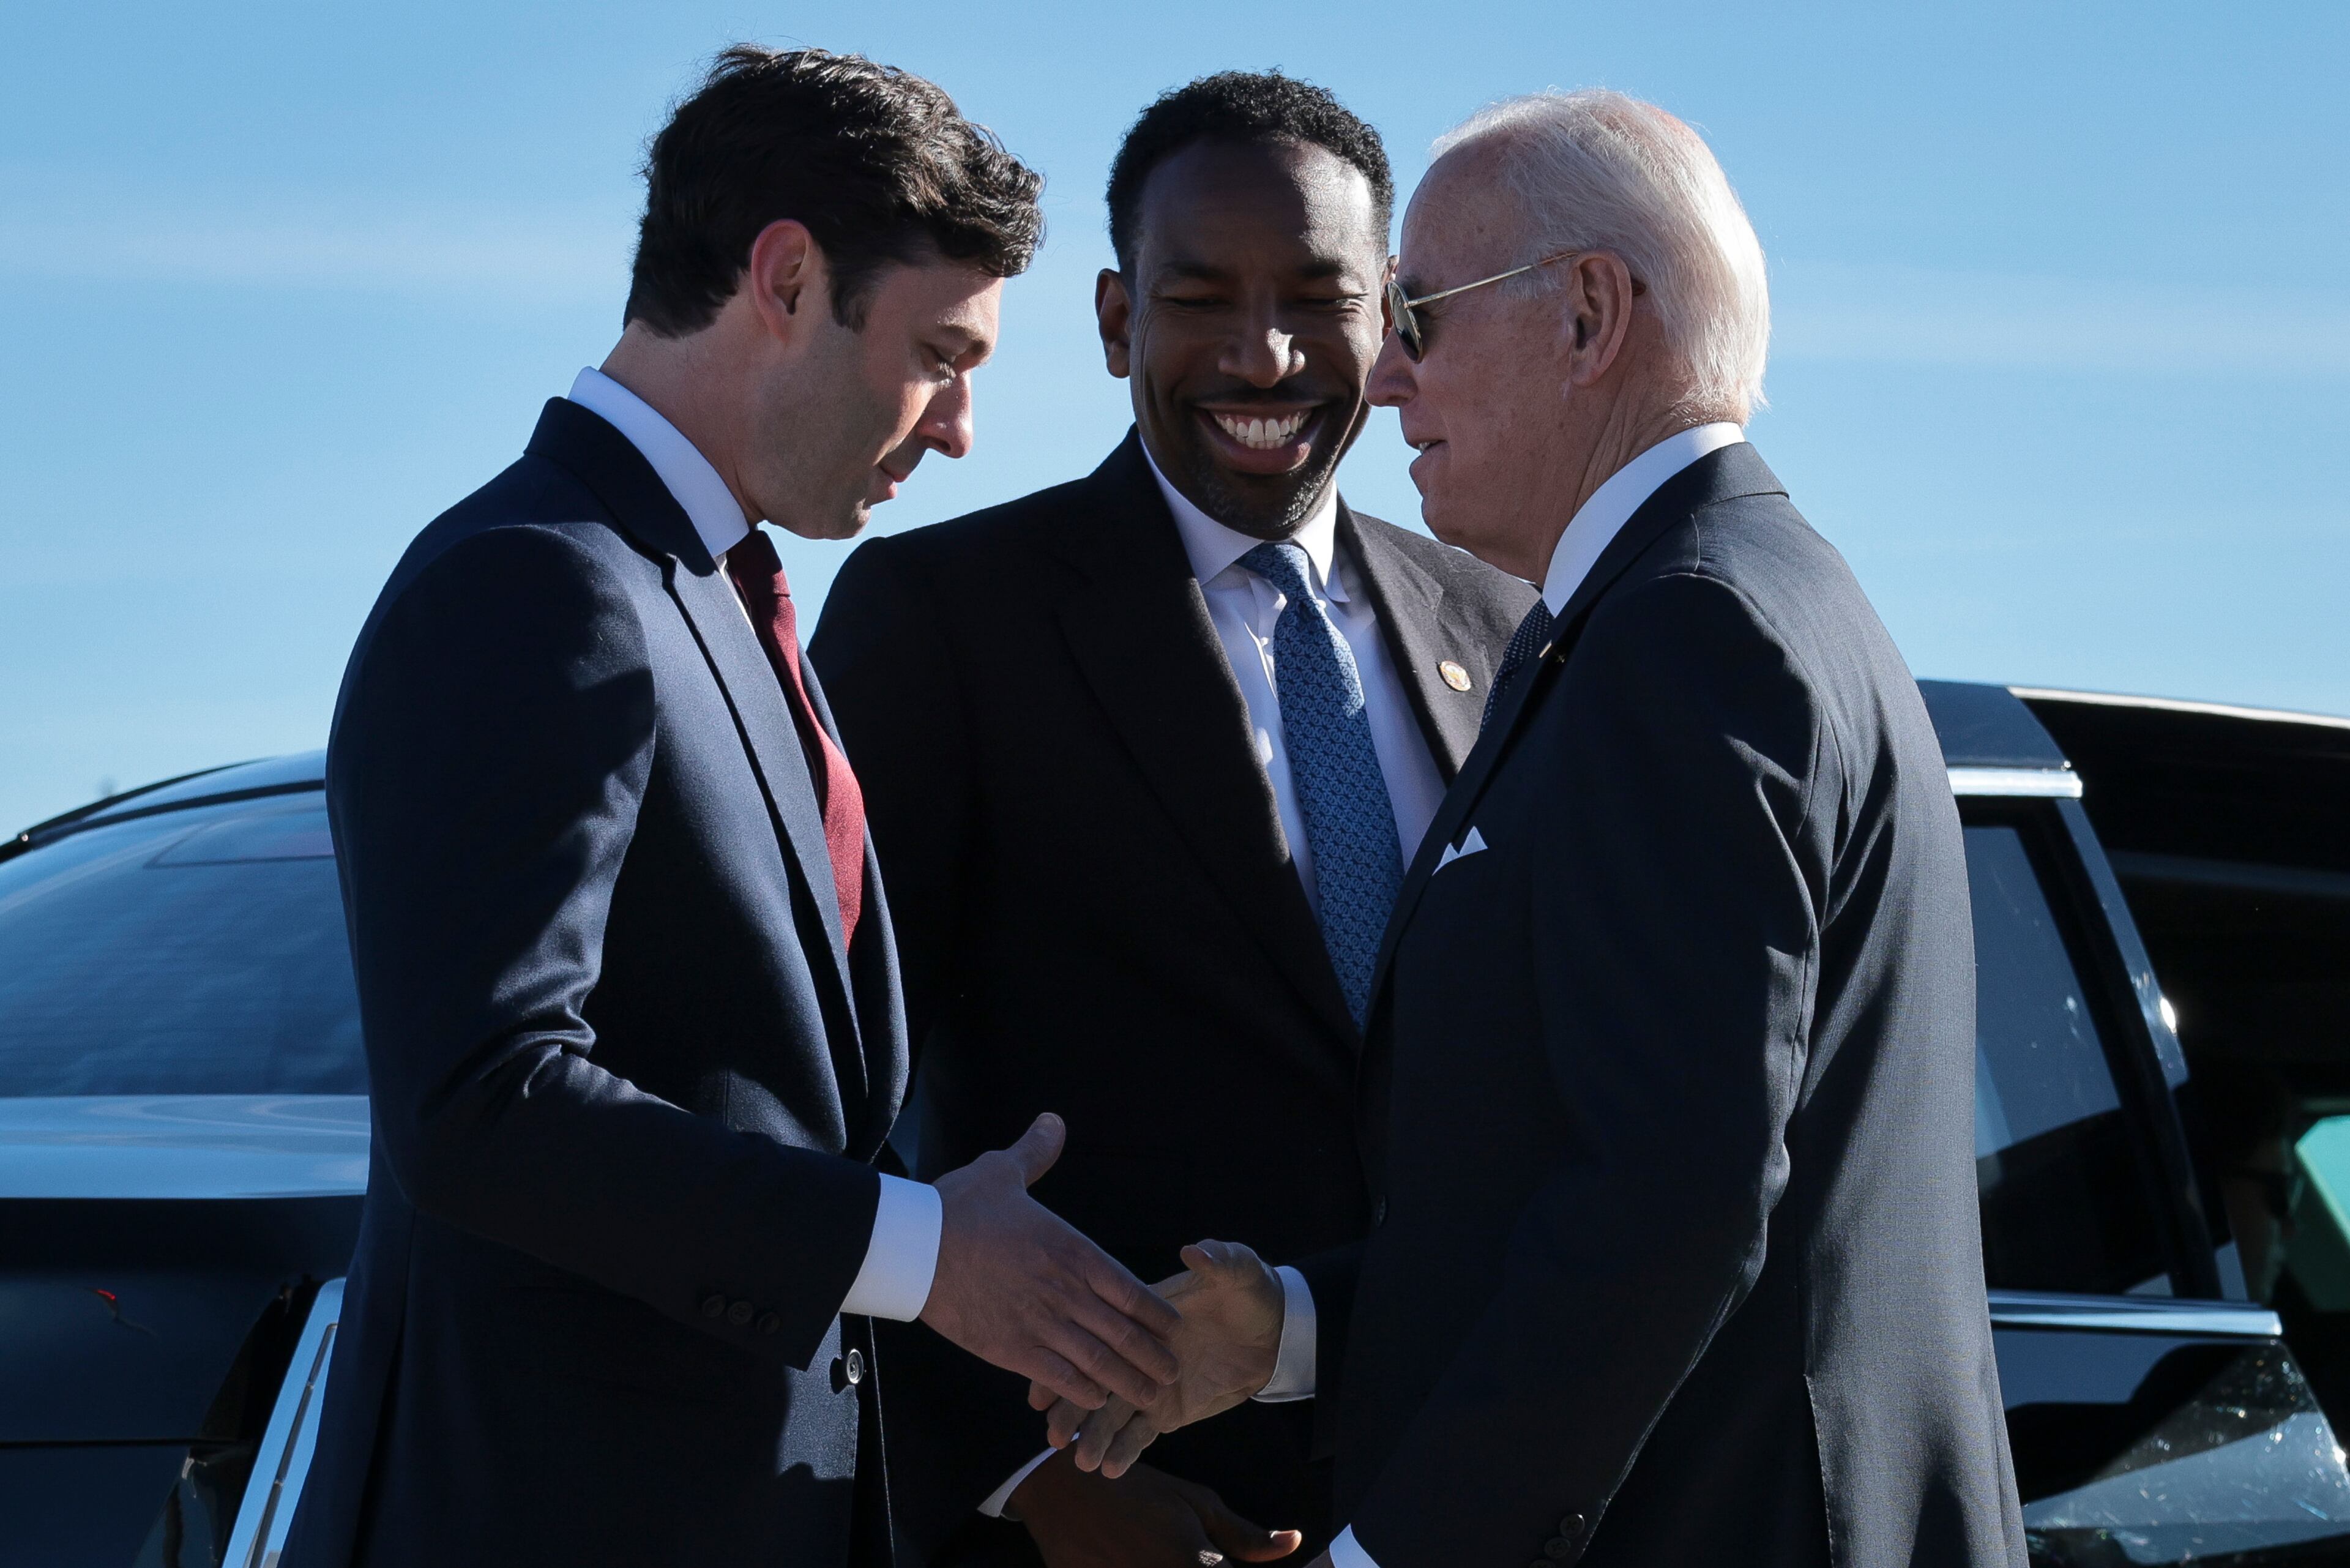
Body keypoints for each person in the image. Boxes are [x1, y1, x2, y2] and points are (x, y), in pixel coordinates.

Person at [1045, 89, 2029, 1568]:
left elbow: (1672, 1204)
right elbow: (1583, 1177)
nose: (1380, 381)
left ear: (1588, 314)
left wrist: (1405, 1554)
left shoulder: (1694, 634)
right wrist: (1291, 1331)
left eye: (1421, 317)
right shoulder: (1697, 608)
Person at [284, 47, 1182, 1568]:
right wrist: (920, 1252)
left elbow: (741, 1104)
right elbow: (481, 1105)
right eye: (941, 353)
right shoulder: (536, 582)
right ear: (784, 275)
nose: (962, 426)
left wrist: (952, 1271)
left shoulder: (711, 592)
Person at [811, 72, 1537, 1568]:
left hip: (1475, 1493)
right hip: (1107, 1515)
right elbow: (822, 1108)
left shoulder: (1516, 624)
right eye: (1200, 297)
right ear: (1114, 322)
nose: (1262, 353)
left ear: (1392, 312)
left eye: (1317, 297)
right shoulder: (946, 624)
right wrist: (1018, 1485)